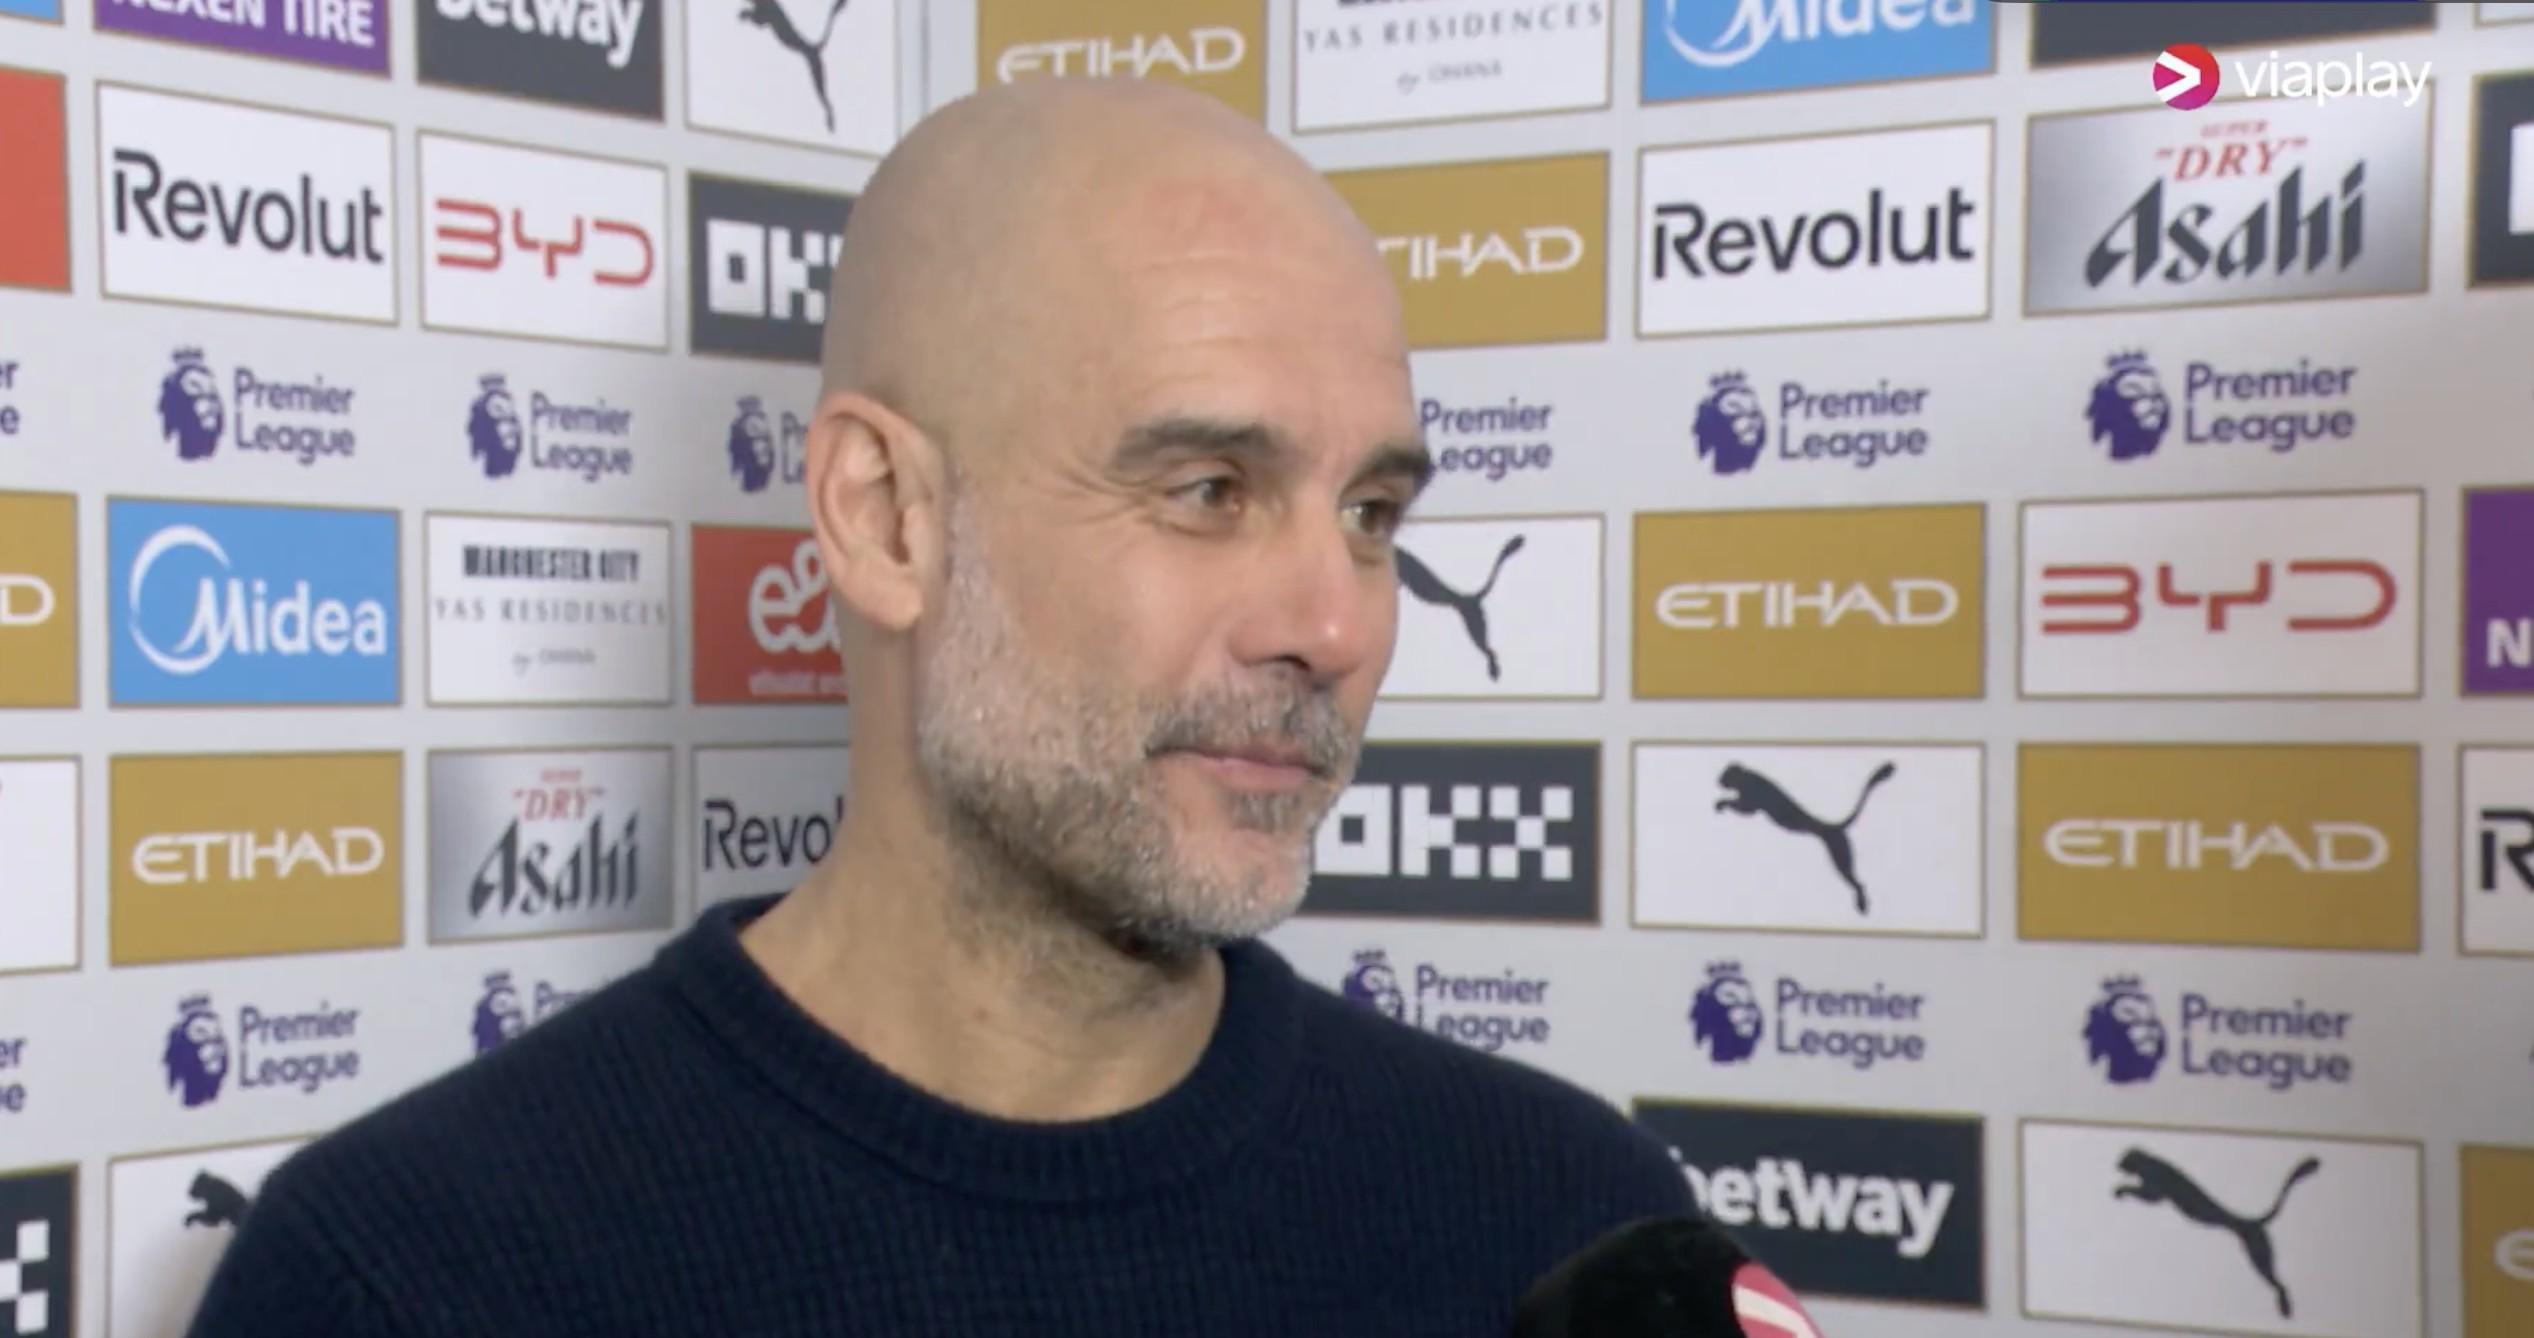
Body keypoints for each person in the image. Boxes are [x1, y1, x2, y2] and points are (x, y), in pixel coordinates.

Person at [186, 76, 1694, 1336]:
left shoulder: (1569, 1232)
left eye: (1370, 512)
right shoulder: (409, 1279)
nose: (1334, 624)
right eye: (1207, 489)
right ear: (886, 518)